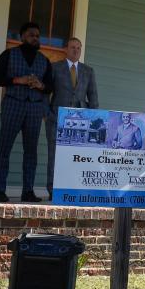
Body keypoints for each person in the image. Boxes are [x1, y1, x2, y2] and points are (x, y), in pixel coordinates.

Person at [0, 22, 53, 203]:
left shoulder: (44, 60)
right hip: (13, 104)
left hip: (34, 108)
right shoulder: (9, 55)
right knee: (4, 149)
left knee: (31, 151)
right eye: (31, 34)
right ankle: (0, 191)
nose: (35, 38)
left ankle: (28, 191)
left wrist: (41, 85)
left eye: (37, 35)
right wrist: (18, 80)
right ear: (22, 37)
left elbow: (50, 87)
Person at [45, 37, 99, 198]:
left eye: (78, 48)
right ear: (65, 49)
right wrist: (47, 114)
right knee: (54, 155)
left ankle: (73, 190)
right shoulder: (55, 68)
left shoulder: (88, 71)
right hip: (57, 118)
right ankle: (53, 191)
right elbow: (45, 93)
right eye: (72, 47)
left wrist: (93, 119)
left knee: (77, 156)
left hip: (81, 121)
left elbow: (94, 97)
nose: (76, 50)